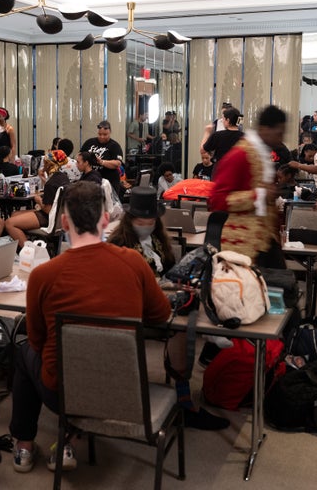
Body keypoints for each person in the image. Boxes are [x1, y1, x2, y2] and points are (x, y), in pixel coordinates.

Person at [9, 180, 172, 473]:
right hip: (124, 392)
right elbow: (162, 315)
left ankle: (24, 444)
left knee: (25, 354)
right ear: (106, 218)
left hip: (62, 394)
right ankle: (69, 437)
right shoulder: (134, 263)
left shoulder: (43, 275)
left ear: (62, 222)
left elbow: (36, 338)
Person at [107, 186, 230, 430]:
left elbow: (169, 269)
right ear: (131, 220)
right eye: (143, 220)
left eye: (152, 220)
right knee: (184, 324)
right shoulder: (120, 245)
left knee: (194, 299)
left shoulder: (157, 240)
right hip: (136, 305)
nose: (148, 224)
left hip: (161, 293)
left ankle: (210, 329)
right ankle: (186, 403)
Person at [209, 105, 288, 268]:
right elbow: (216, 200)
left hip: (265, 241)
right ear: (265, 129)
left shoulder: (262, 154)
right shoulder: (240, 155)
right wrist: (258, 196)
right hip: (242, 245)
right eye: (279, 133)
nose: (281, 139)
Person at [5, 150, 69, 247]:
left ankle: (29, 250)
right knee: (14, 214)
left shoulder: (51, 184)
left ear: (48, 165)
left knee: (9, 223)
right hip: (59, 218)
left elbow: (48, 210)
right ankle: (23, 243)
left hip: (49, 218)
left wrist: (38, 200)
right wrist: (43, 179)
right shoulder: (63, 177)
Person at [81, 120, 124, 195]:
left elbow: (117, 163)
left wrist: (102, 162)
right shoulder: (89, 142)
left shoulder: (115, 146)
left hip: (109, 181)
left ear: (110, 132)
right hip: (91, 181)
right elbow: (80, 156)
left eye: (105, 134)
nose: (102, 137)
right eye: (100, 134)